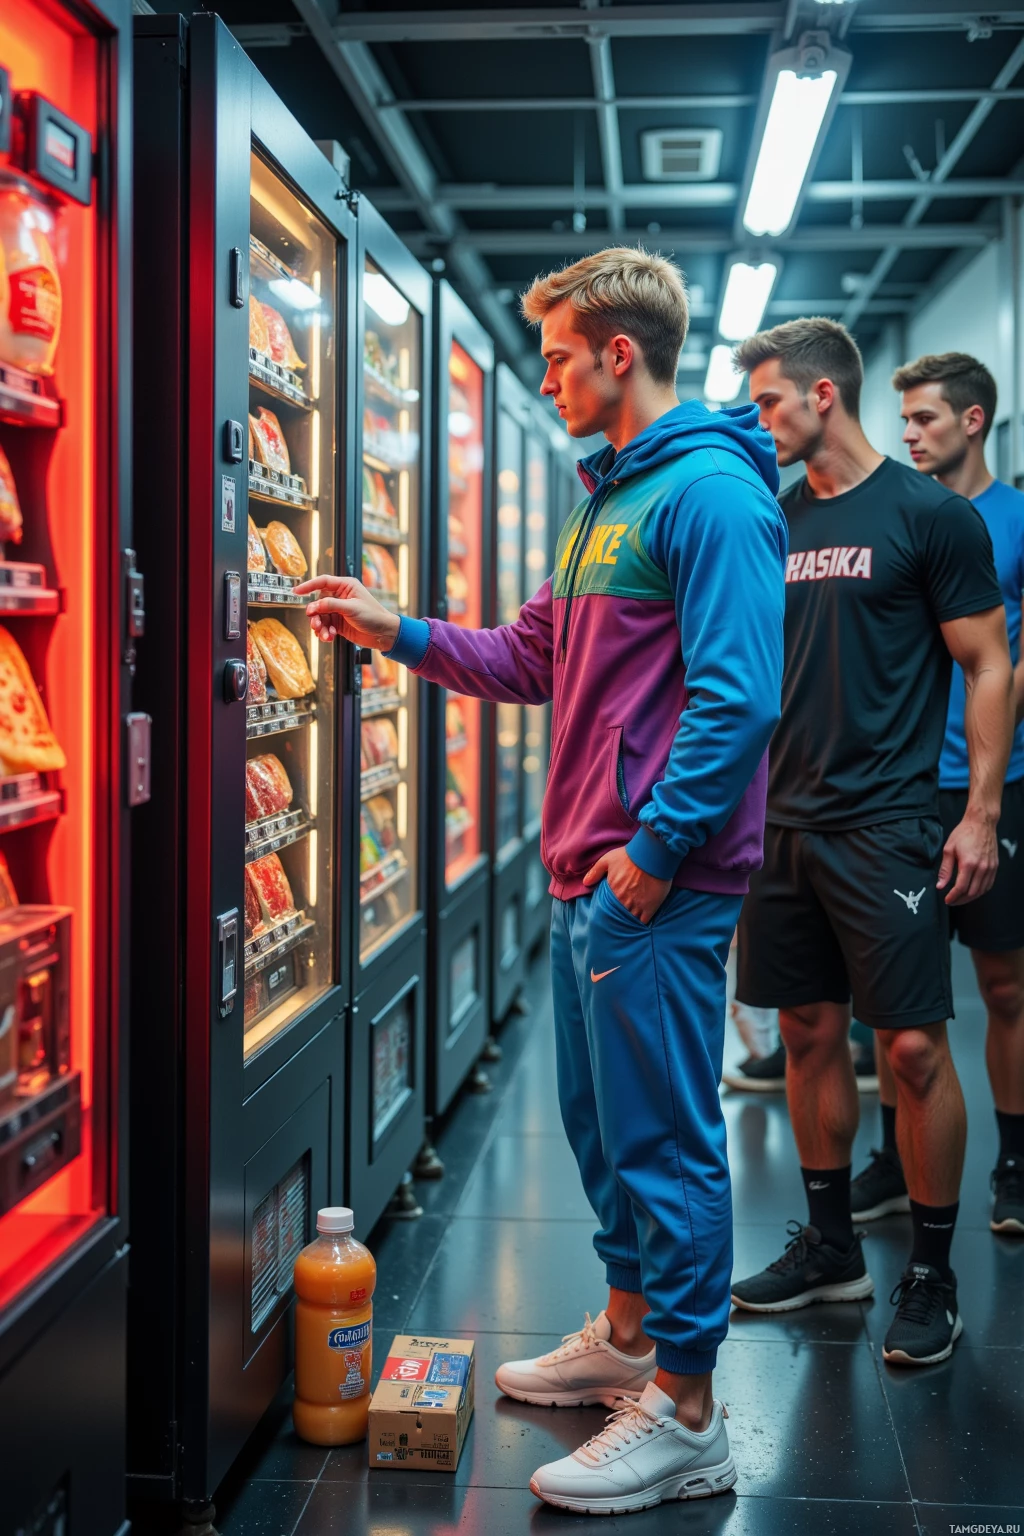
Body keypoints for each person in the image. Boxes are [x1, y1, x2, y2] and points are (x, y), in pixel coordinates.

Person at [296, 247, 788, 1514]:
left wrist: (656, 851)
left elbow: (739, 701)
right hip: (593, 873)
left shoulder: (711, 497)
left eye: (560, 356)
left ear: (620, 353)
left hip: (654, 883)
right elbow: (531, 657)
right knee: (601, 1131)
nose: (547, 377)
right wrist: (393, 629)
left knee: (666, 1140)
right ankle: (628, 1333)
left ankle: (687, 1412)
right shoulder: (604, 497)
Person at [729, 318, 1013, 1367]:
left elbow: (987, 664)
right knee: (806, 1035)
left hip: (891, 821)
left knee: (908, 1048)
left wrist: (977, 812)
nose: (760, 421)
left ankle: (930, 1272)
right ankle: (831, 1249)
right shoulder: (771, 519)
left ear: (821, 398)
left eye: (768, 402)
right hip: (781, 823)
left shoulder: (929, 516)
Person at [850, 353, 1024, 1236]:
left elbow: (1008, 659)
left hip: (996, 783)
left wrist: (985, 799)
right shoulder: (901, 516)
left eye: (924, 418)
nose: (909, 433)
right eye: (904, 420)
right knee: (897, 1007)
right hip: (902, 793)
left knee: (1004, 986)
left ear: (974, 420)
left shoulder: (1014, 519)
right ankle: (889, 1160)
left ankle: (1016, 1165)